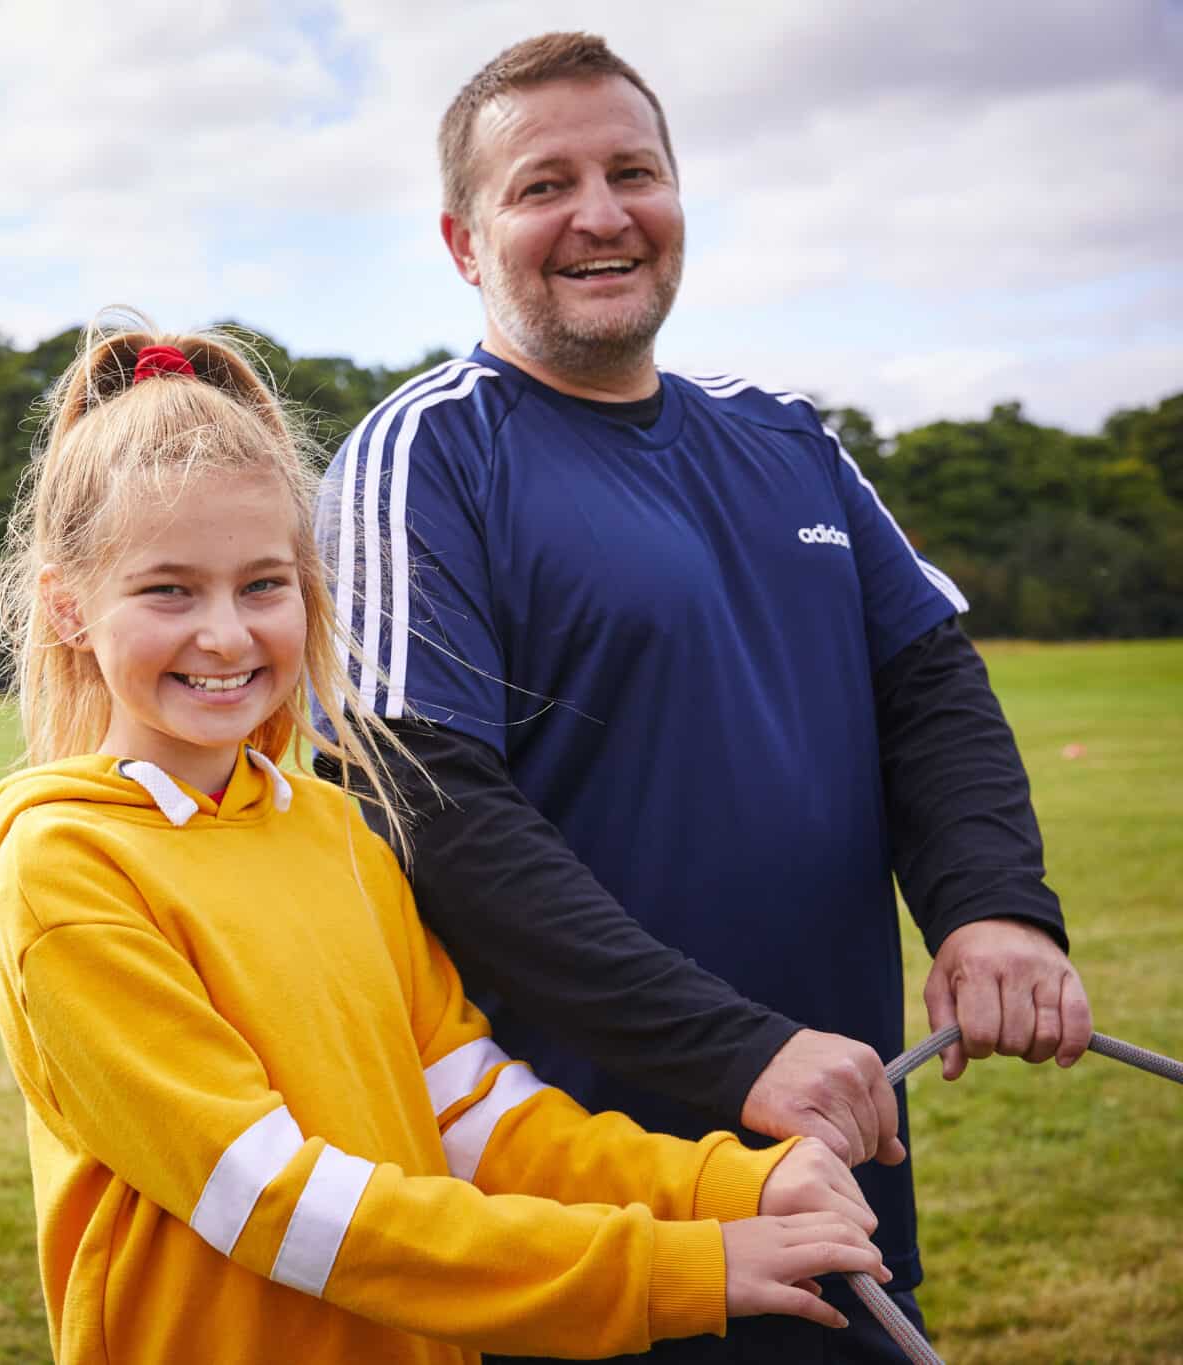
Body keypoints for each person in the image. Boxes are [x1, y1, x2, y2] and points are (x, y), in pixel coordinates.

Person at [316, 32, 1092, 1363]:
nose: (602, 214)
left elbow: (929, 688)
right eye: (543, 184)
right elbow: (426, 797)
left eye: (635, 171)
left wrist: (994, 905)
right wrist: (734, 1050)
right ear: (463, 241)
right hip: (586, 1213)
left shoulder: (787, 435)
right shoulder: (424, 452)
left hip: (838, 1158)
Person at [0, 315, 893, 1365]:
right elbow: (276, 1202)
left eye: (262, 584)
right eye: (167, 589)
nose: (224, 634)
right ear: (67, 608)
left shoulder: (341, 831)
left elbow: (480, 1119)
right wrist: (676, 1267)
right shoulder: (69, 867)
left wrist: (733, 1182)